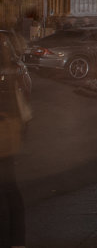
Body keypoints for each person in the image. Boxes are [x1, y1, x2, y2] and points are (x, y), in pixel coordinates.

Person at [0, 41, 27, 247]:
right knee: (10, 188)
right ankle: (17, 240)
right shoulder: (12, 72)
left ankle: (15, 240)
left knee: (8, 187)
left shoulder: (5, 76)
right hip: (9, 134)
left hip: (4, 134)